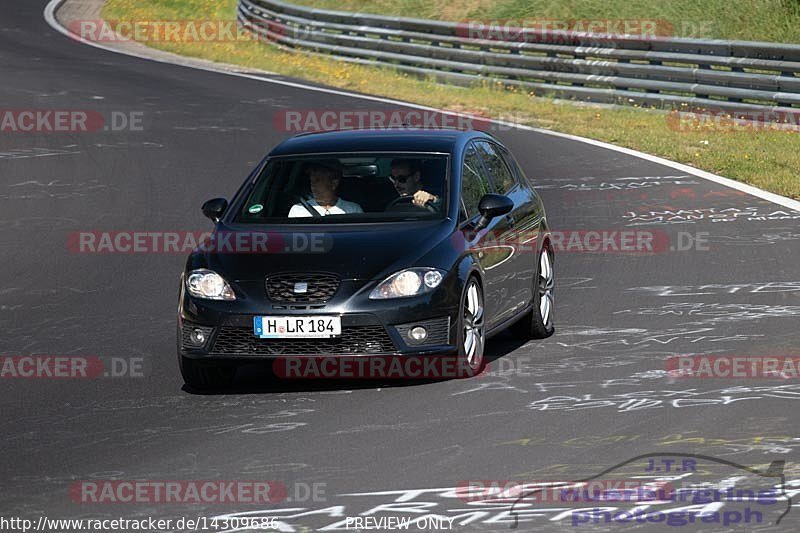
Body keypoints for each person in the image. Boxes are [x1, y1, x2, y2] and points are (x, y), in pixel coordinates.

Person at [288, 160, 363, 218]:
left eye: (317, 180)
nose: (312, 185)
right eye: (311, 180)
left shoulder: (353, 210)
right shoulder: (298, 210)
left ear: (334, 184)